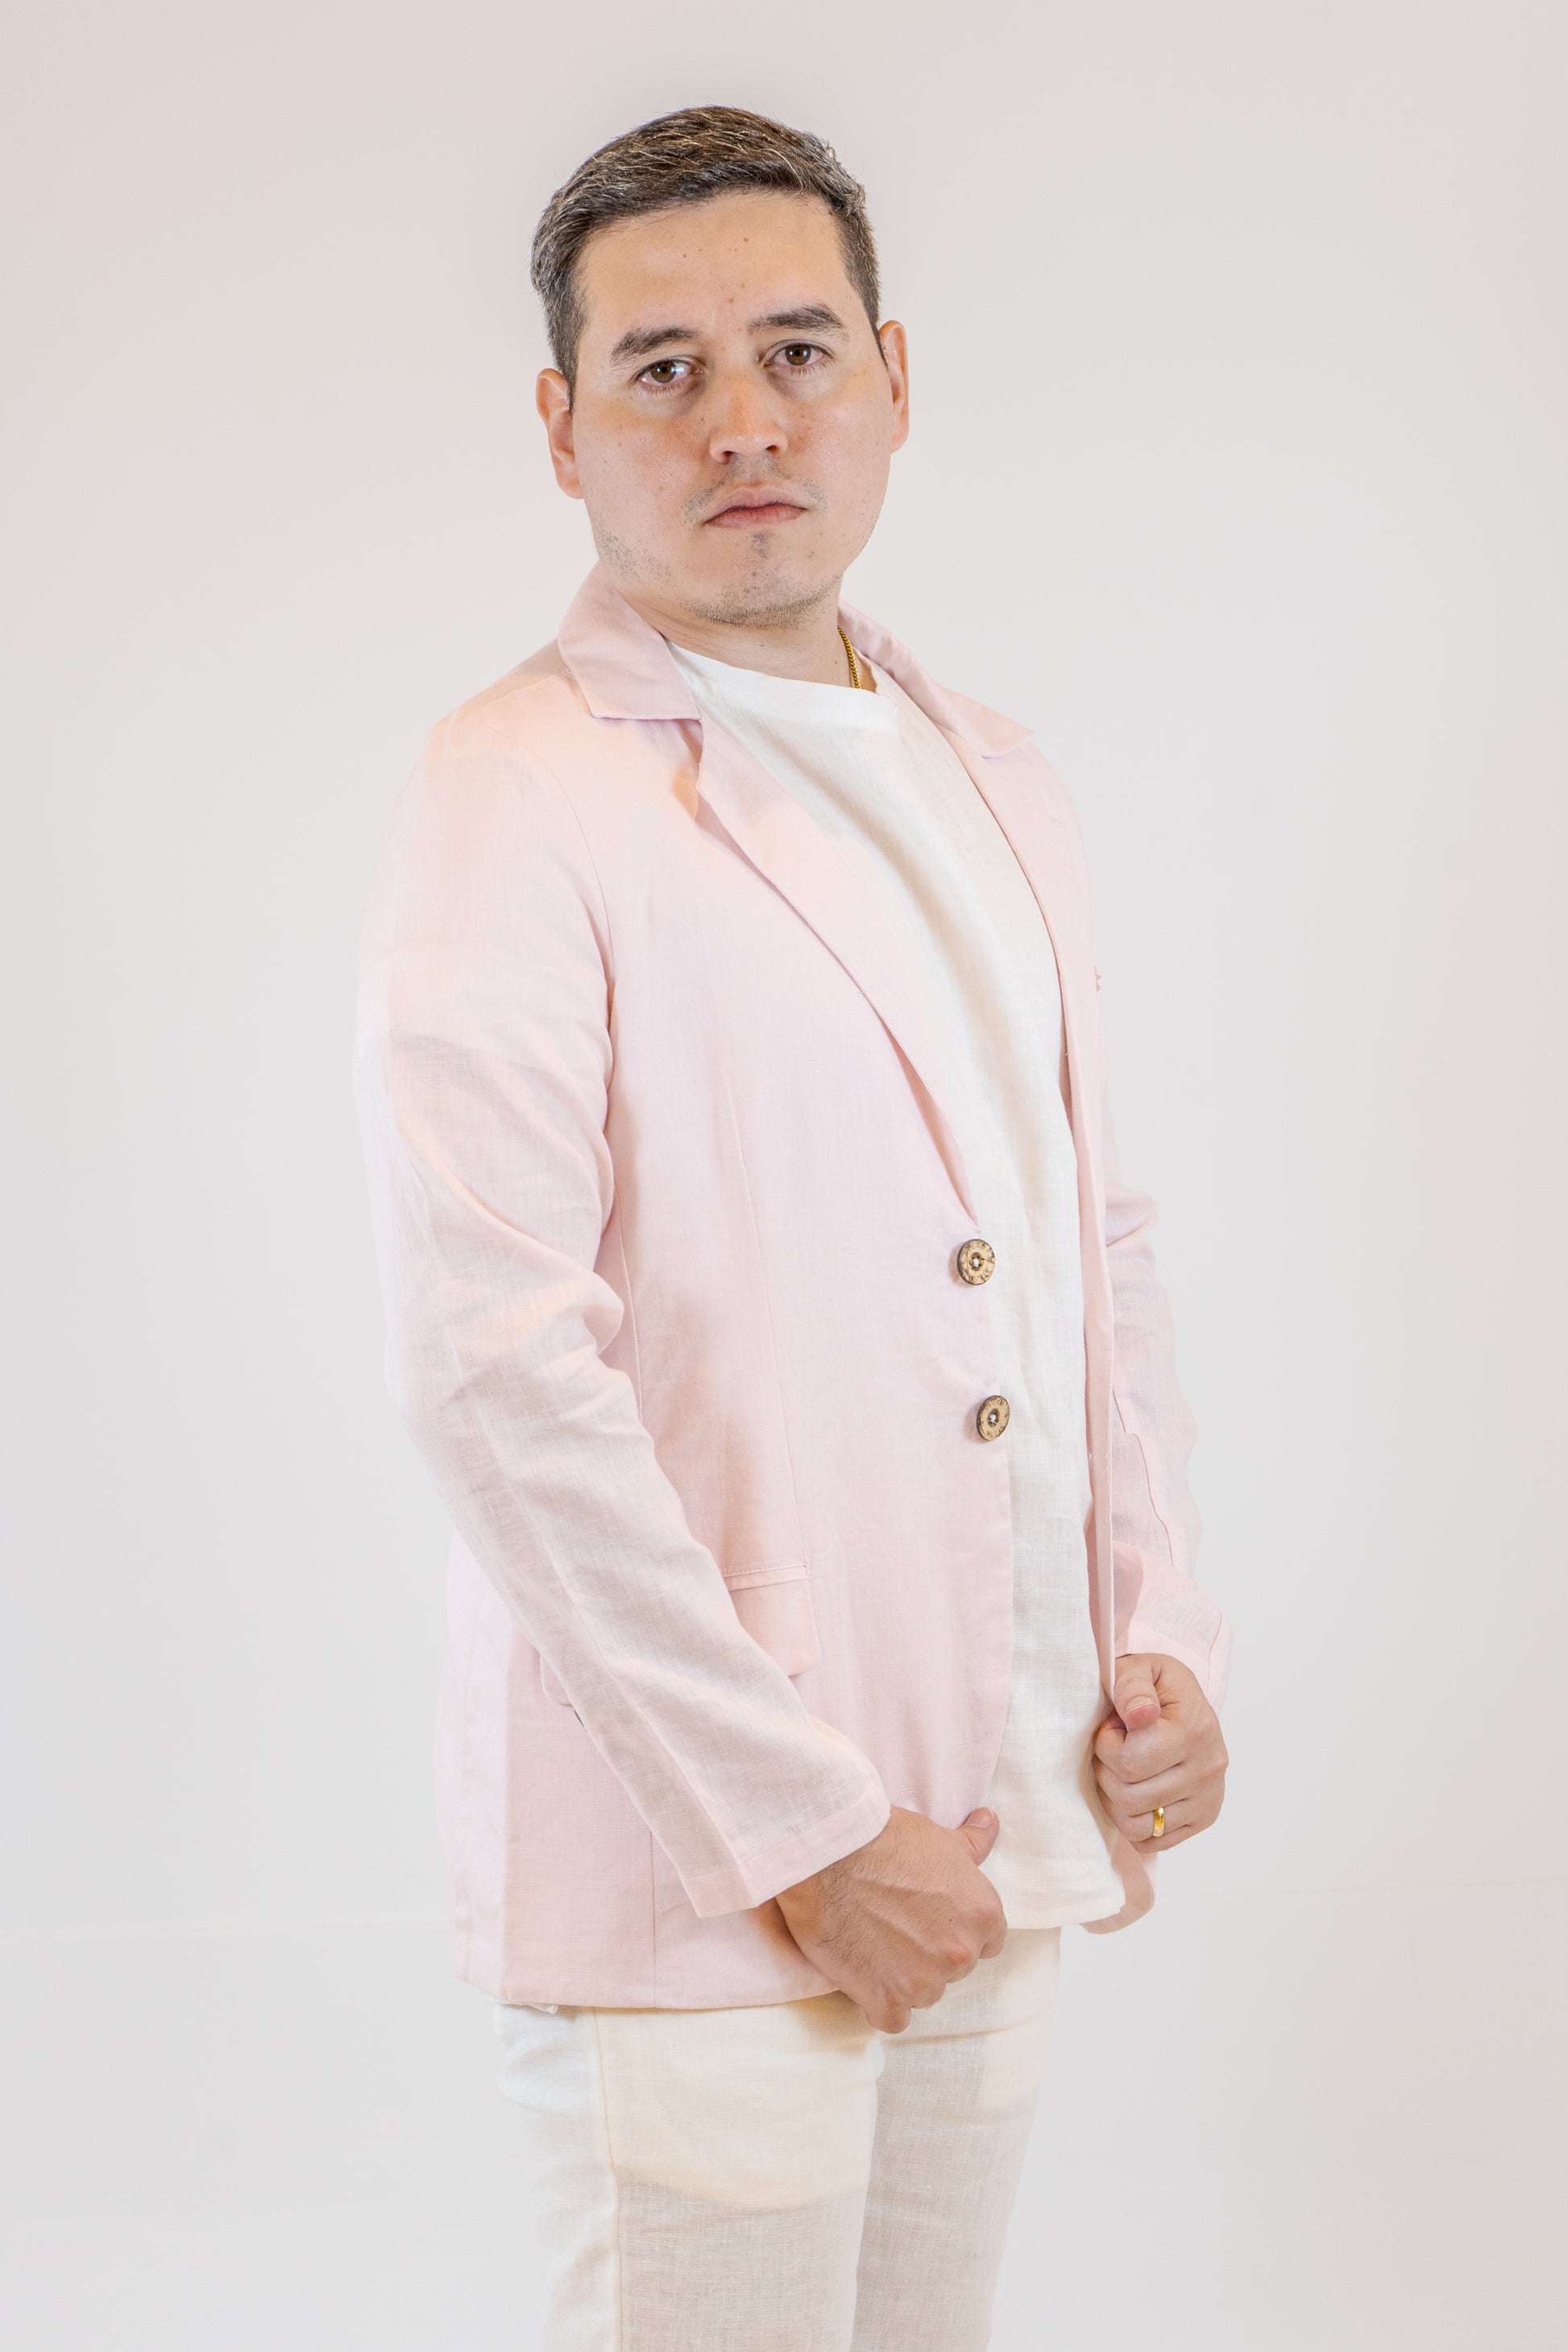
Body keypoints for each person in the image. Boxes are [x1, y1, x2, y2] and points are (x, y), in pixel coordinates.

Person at [355, 103, 1230, 2352]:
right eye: (661, 368)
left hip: (1002, 1810)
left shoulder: (994, 768)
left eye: (796, 350)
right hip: (716, 1857)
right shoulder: (515, 787)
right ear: (563, 429)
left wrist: (1159, 1634)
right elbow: (492, 1371)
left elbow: (1086, 1243)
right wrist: (801, 1833)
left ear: (892, 380)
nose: (742, 419)